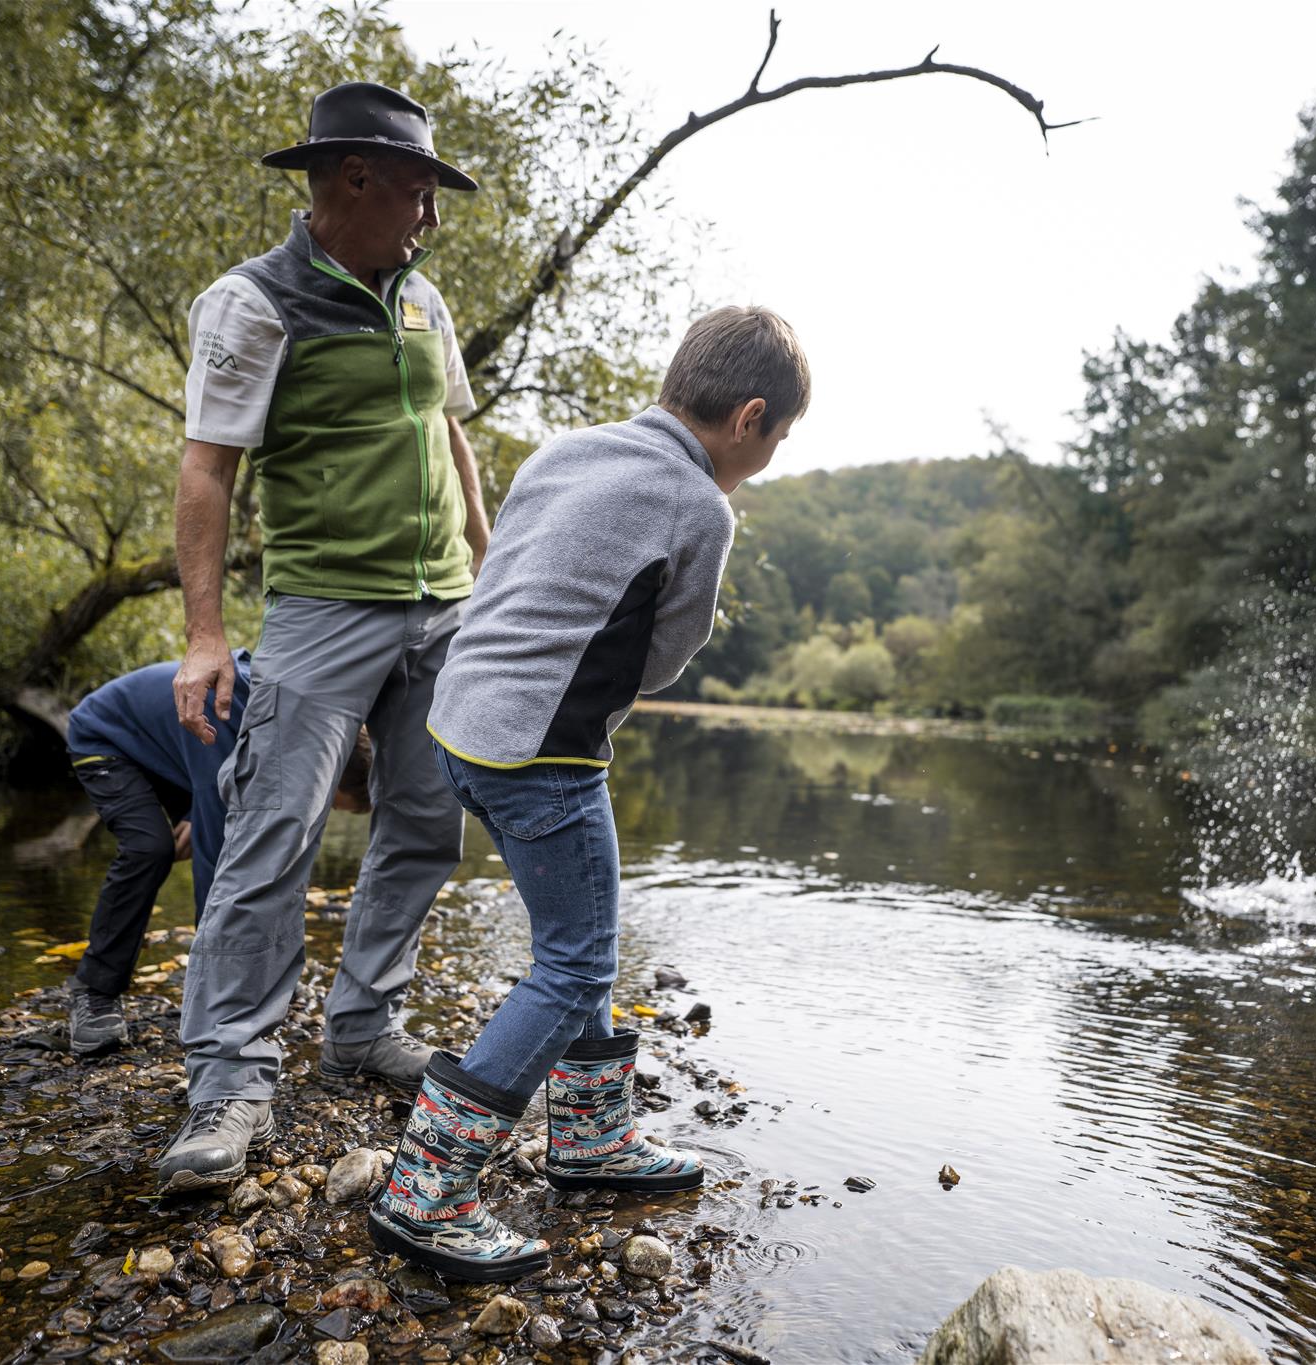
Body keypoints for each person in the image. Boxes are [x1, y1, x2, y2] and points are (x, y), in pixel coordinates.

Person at [369, 307, 810, 1282]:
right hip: (541, 753)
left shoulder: (565, 452)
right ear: (748, 418)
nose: (773, 451)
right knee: (570, 965)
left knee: (584, 929)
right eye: (780, 436)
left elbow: (509, 571)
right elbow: (668, 650)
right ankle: (424, 1194)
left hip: (459, 725)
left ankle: (591, 1140)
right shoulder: (700, 506)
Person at [158, 81, 491, 1194]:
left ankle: (361, 1027)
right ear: (353, 180)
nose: (429, 216)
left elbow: (451, 439)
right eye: (417, 191)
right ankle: (229, 1083)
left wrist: (488, 577)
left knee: (425, 826)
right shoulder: (252, 303)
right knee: (270, 838)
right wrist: (205, 636)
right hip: (321, 609)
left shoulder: (424, 305)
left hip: (441, 611)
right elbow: (208, 469)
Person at [61, 653, 371, 1056]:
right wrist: (219, 977)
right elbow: (217, 857)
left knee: (232, 831)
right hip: (107, 736)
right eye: (332, 803)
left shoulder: (296, 735)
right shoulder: (234, 715)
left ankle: (244, 974)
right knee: (150, 848)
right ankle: (95, 990)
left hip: (174, 749)